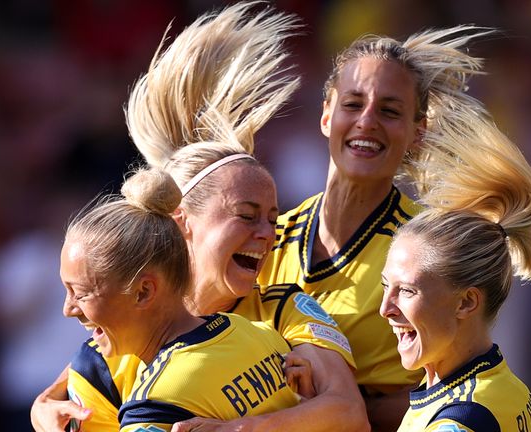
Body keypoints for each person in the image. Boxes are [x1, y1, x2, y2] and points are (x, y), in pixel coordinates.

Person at [32, 3, 368, 431]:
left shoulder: (286, 309)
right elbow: (70, 393)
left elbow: (351, 414)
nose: (269, 232)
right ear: (181, 221)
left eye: (272, 216)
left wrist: (235, 428)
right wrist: (42, 406)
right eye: (247, 216)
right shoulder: (116, 340)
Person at [257, 25, 494, 431]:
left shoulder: (427, 250)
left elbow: (458, 389)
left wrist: (337, 401)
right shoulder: (267, 236)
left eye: (389, 111)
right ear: (327, 115)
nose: (367, 122)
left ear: (417, 132)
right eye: (353, 104)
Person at [61, 167, 305, 431]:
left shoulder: (156, 406)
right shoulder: (262, 336)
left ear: (143, 291)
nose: (68, 309)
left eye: (81, 293)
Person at [379, 107, 531, 431]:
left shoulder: (461, 419)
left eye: (407, 290)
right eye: (386, 286)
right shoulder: (504, 387)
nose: (385, 308)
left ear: (467, 302)